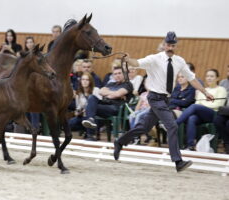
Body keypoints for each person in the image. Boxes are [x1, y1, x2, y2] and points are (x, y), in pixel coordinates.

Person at [113, 31, 214, 173]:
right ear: (164, 45)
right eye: (168, 44)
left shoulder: (180, 61)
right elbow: (137, 63)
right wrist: (128, 60)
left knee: (144, 128)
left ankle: (119, 142)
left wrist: (205, 92)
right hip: (155, 98)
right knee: (172, 126)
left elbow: (192, 79)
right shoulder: (154, 59)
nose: (170, 47)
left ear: (175, 45)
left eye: (173, 45)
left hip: (165, 100)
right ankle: (178, 161)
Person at [175, 69, 227, 150]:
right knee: (192, 118)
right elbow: (197, 103)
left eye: (212, 76)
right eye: (207, 76)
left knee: (194, 107)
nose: (209, 78)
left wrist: (202, 105)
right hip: (202, 115)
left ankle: (175, 124)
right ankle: (190, 145)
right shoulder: (203, 90)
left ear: (217, 78)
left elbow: (218, 104)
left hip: (214, 114)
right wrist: (204, 104)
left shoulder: (221, 89)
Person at [82, 66, 133, 141]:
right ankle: (91, 121)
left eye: (119, 73)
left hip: (115, 108)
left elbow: (117, 94)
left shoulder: (127, 84)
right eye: (115, 74)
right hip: (105, 105)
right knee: (92, 98)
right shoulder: (111, 84)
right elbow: (101, 92)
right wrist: (114, 94)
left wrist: (111, 94)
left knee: (89, 108)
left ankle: (90, 135)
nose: (117, 75)